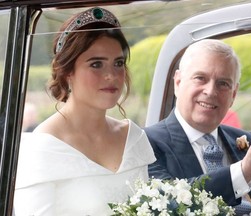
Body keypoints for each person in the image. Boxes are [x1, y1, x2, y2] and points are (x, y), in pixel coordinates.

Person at [14, 7, 156, 216]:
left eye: (118, 63)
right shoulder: (41, 149)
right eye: (96, 64)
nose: (111, 75)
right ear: (67, 72)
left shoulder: (133, 138)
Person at [144, 39, 251, 215]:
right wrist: (243, 172)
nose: (210, 91)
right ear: (178, 82)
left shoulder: (250, 142)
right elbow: (169, 202)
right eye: (200, 78)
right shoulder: (145, 144)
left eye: (223, 83)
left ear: (234, 94)